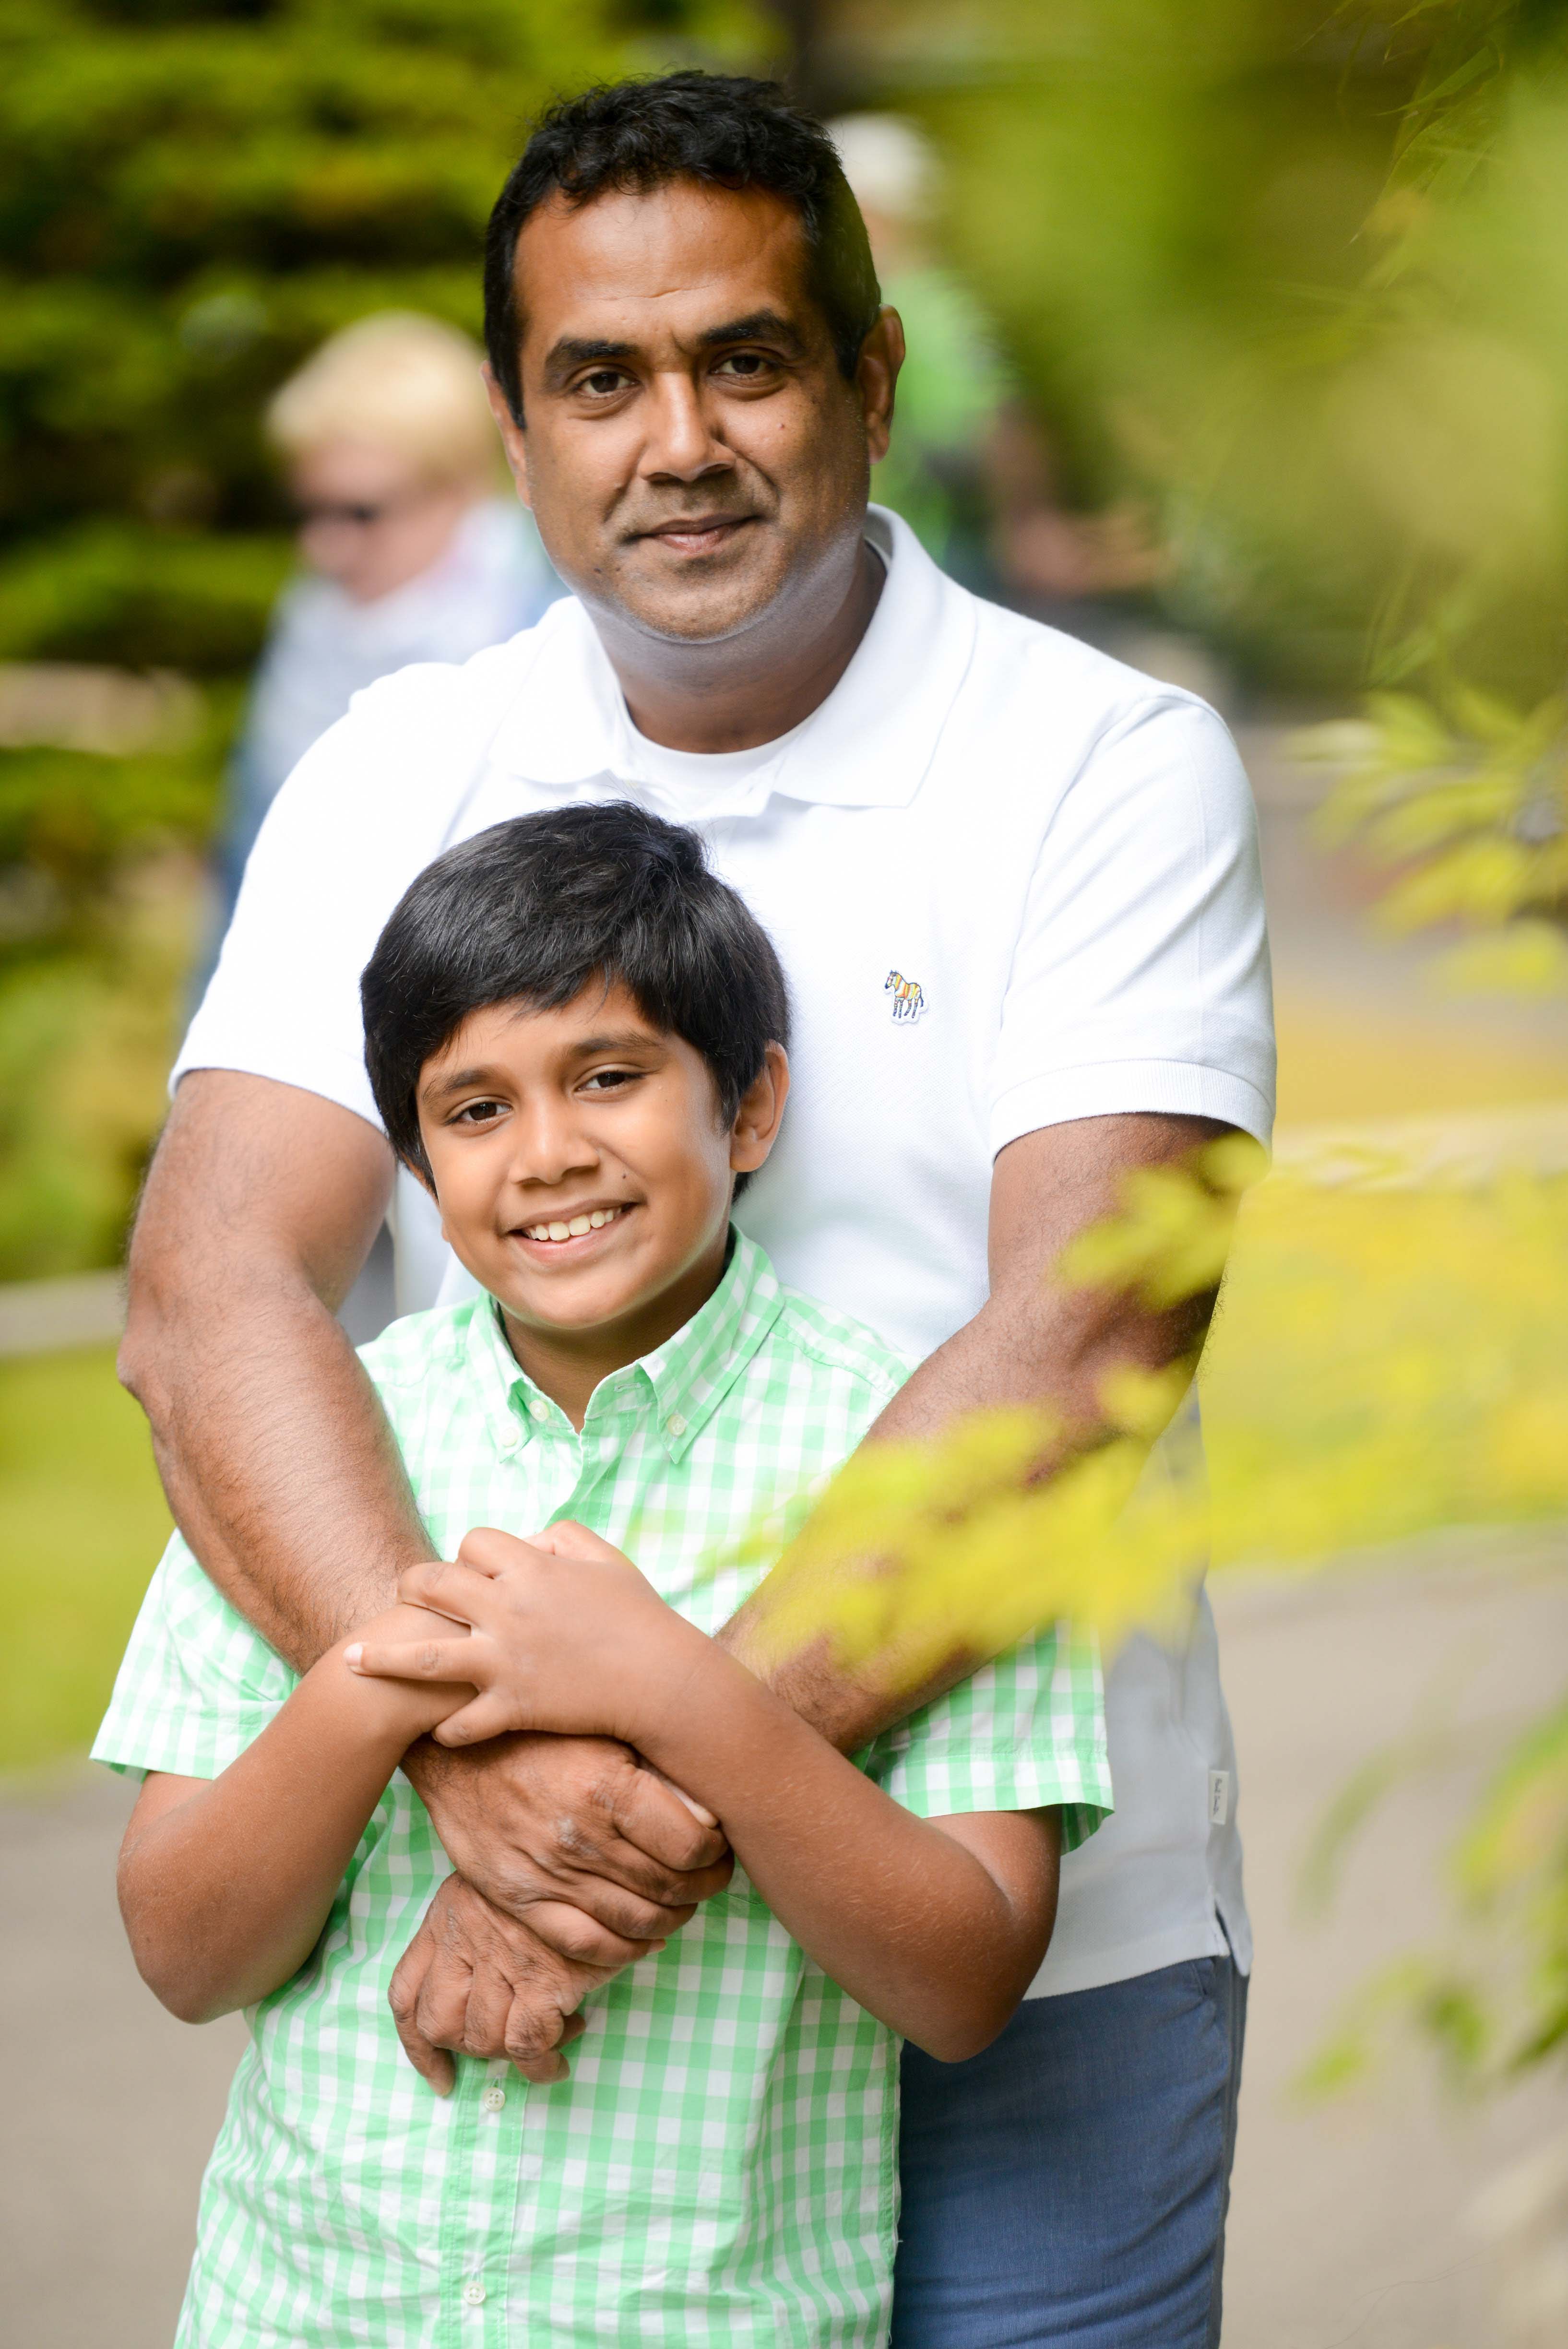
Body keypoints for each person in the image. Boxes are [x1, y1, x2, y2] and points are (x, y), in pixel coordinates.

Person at [121, 70, 1275, 2349]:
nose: (680, 440)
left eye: (745, 358)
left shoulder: (1102, 766)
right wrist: (493, 1773)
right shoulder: (401, 764)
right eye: (599, 378)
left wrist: (614, 1818)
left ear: (868, 373)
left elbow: (1082, 1343)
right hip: (495, 1919)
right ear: (518, 422)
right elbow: (211, 1276)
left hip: (1014, 1926)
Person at [97, 804, 1110, 2346]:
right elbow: (183, 1952)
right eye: (474, 1109)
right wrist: (399, 1672)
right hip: (298, 2304)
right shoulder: (314, 1456)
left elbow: (964, 1977)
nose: (549, 1152)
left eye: (611, 1078)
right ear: (413, 1160)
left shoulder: (913, 1474)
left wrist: (674, 1692)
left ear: (750, 1106)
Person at [212, 311, 560, 931]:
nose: (324, 547)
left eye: (362, 511)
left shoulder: (567, 628)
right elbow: (244, 891)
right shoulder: (313, 628)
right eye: (310, 511)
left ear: (462, 485)